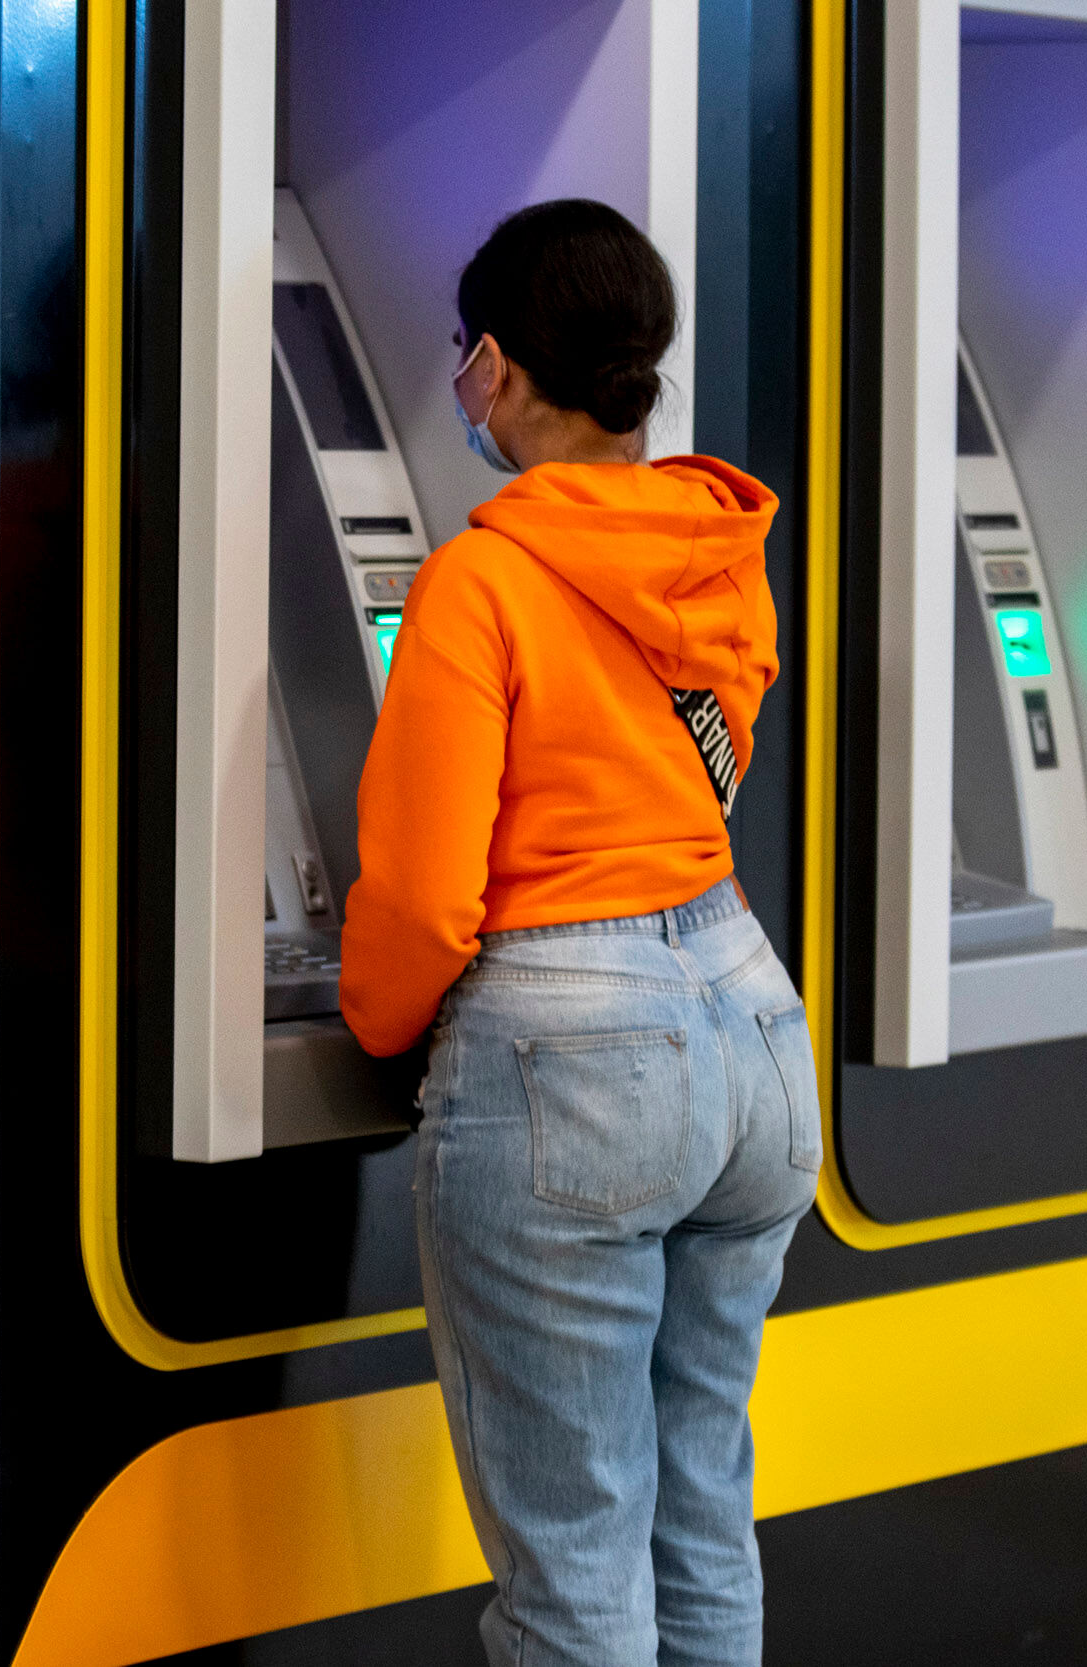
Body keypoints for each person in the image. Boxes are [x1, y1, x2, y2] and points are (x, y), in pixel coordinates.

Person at [338, 199, 818, 1667]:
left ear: (492, 364)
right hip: (751, 1026)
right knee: (701, 1526)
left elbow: (424, 897)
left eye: (460, 354)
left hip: (574, 1061)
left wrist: (373, 1022)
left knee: (574, 1577)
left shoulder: (481, 580)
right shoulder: (718, 548)